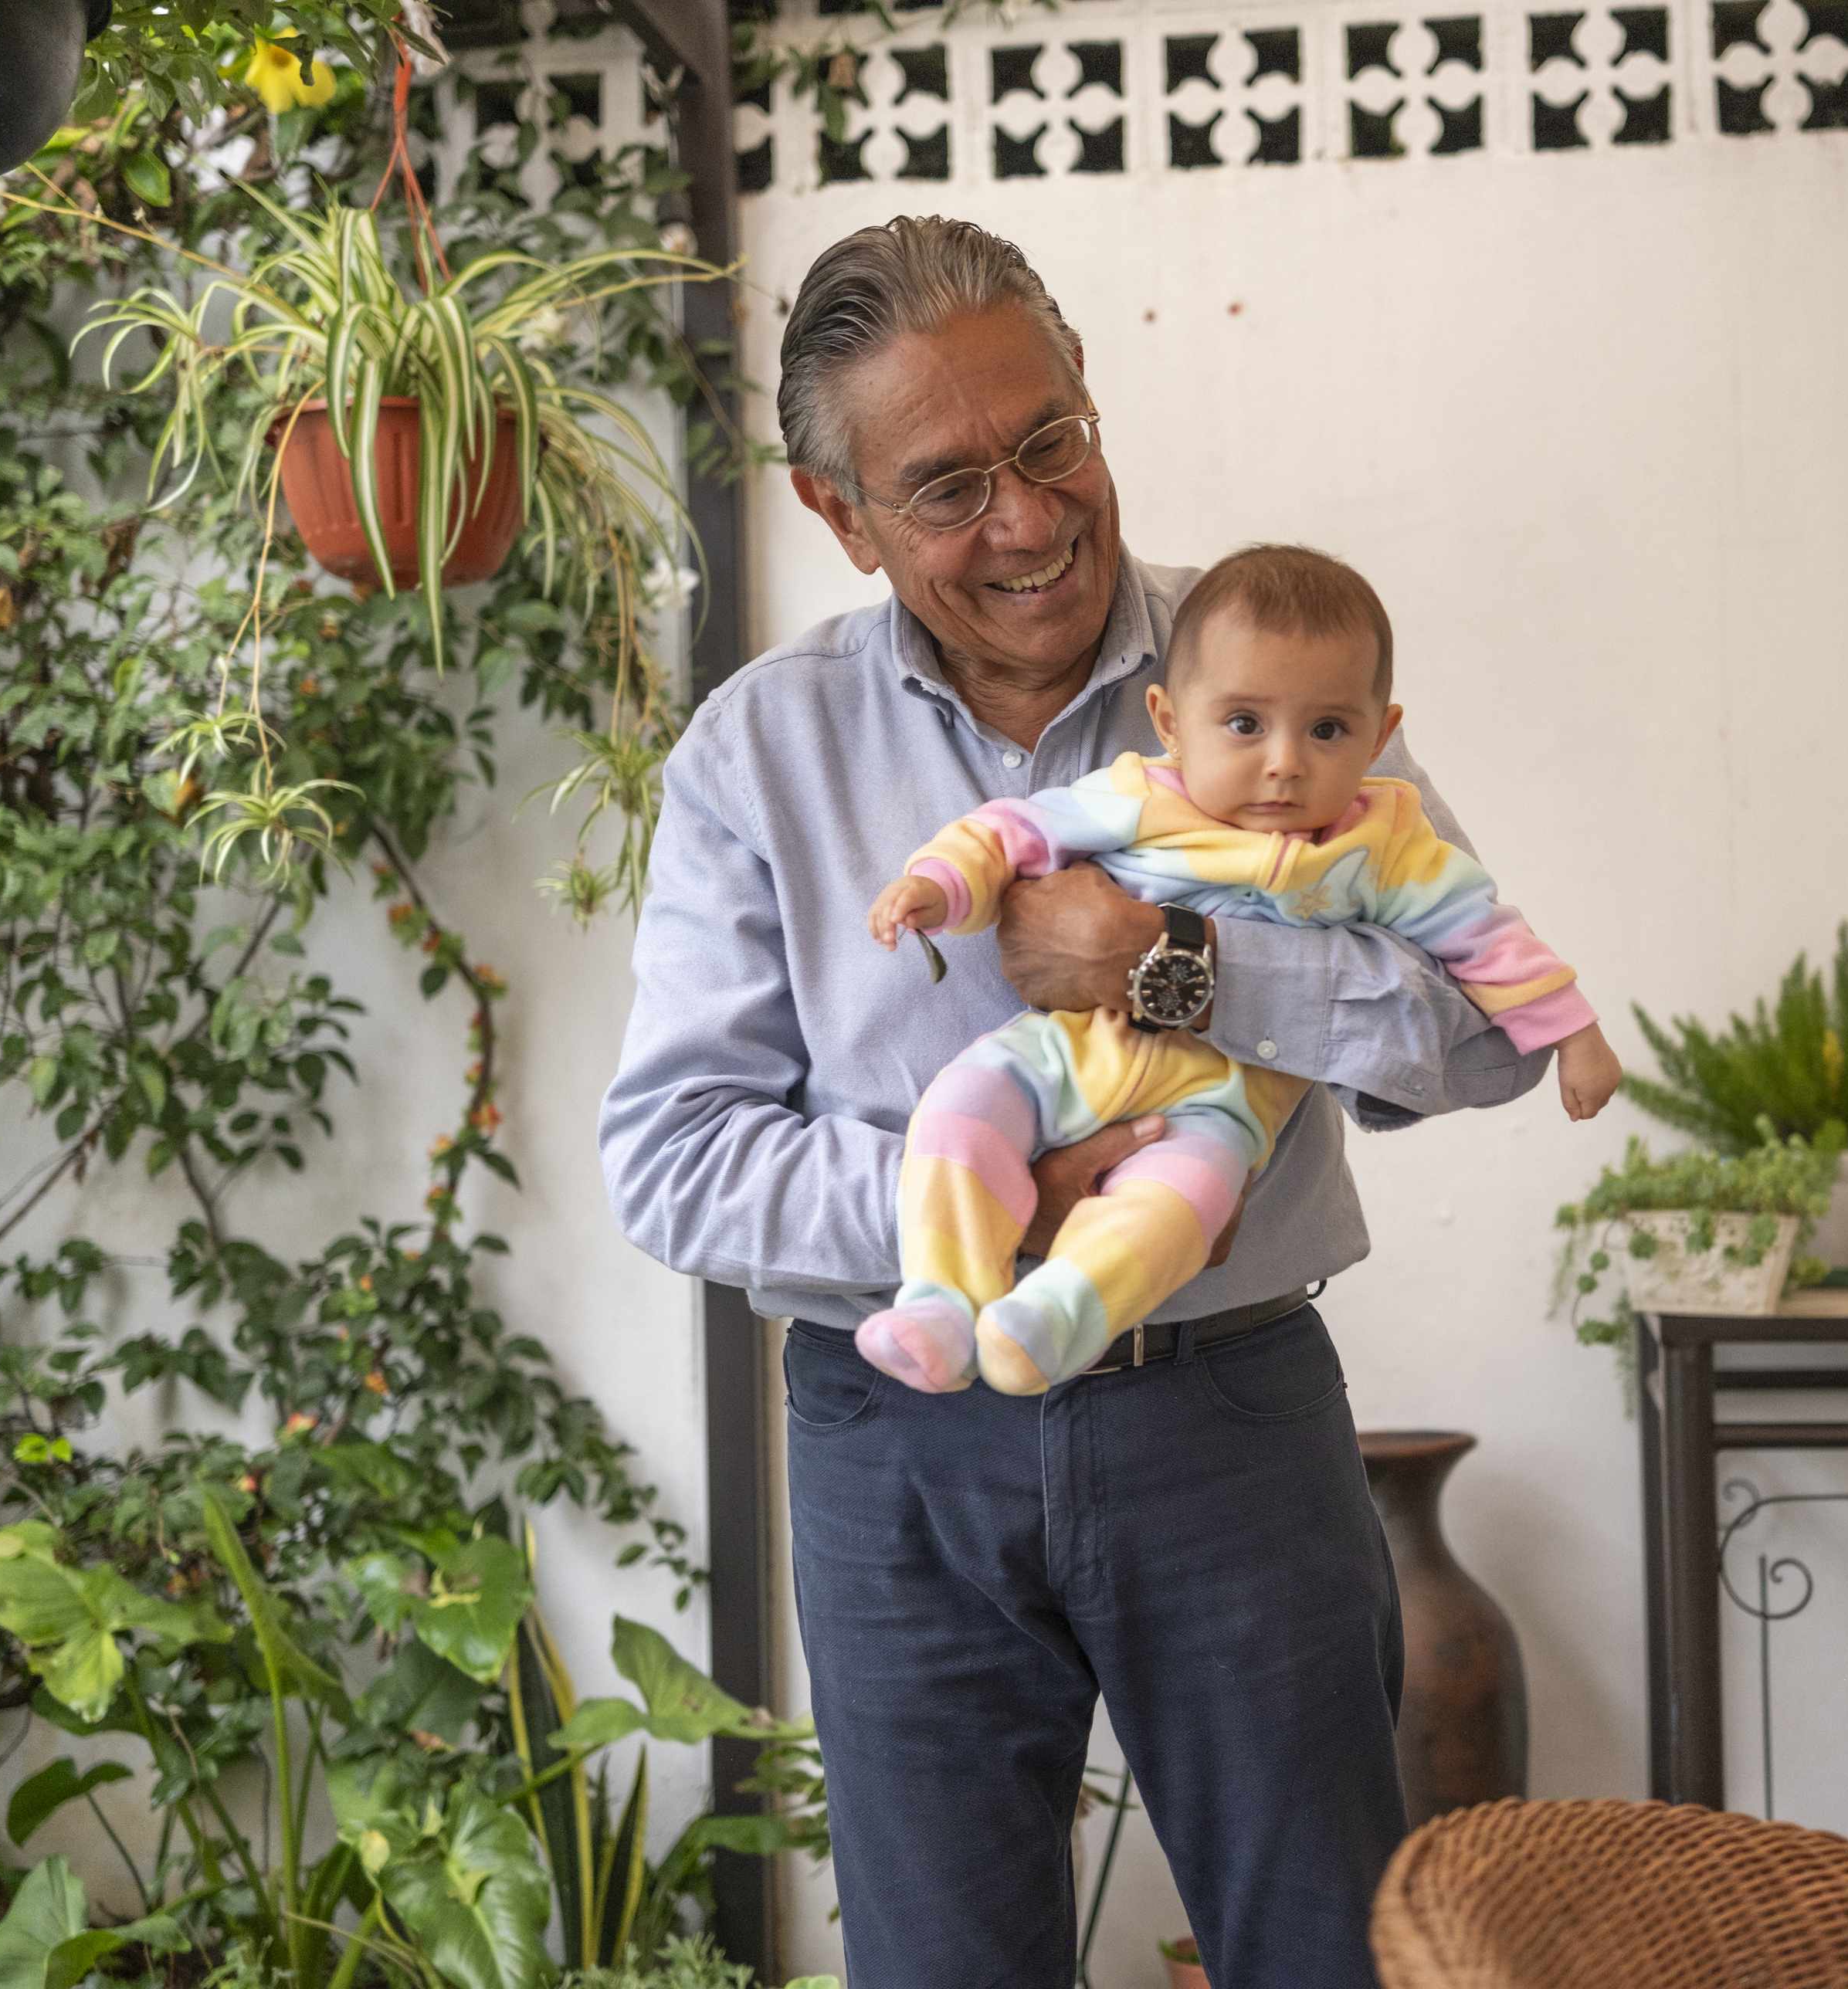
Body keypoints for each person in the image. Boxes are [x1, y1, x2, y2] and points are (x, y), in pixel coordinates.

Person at [599, 217, 1572, 1989]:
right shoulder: (759, 750)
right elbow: (674, 1158)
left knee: (1325, 1951)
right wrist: (1001, 1204)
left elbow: (1490, 1034)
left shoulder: (1271, 670)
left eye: (1051, 441)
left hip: (1230, 1411)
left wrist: (1178, 969)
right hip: (899, 1437)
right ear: (841, 516)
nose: (1030, 518)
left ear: (1091, 402)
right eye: (949, 485)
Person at [859, 544, 1619, 1397]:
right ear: (1171, 721)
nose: (1285, 761)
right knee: (959, 1113)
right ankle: (941, 1303)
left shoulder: (1384, 844)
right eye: (1245, 725)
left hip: (1219, 1106)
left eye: (1327, 730)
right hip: (1063, 1053)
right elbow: (1012, 832)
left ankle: (1051, 1321)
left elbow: (1484, 937)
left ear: (1380, 735)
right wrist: (940, 885)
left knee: (1178, 1213)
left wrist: (1575, 1031)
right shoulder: (1143, 797)